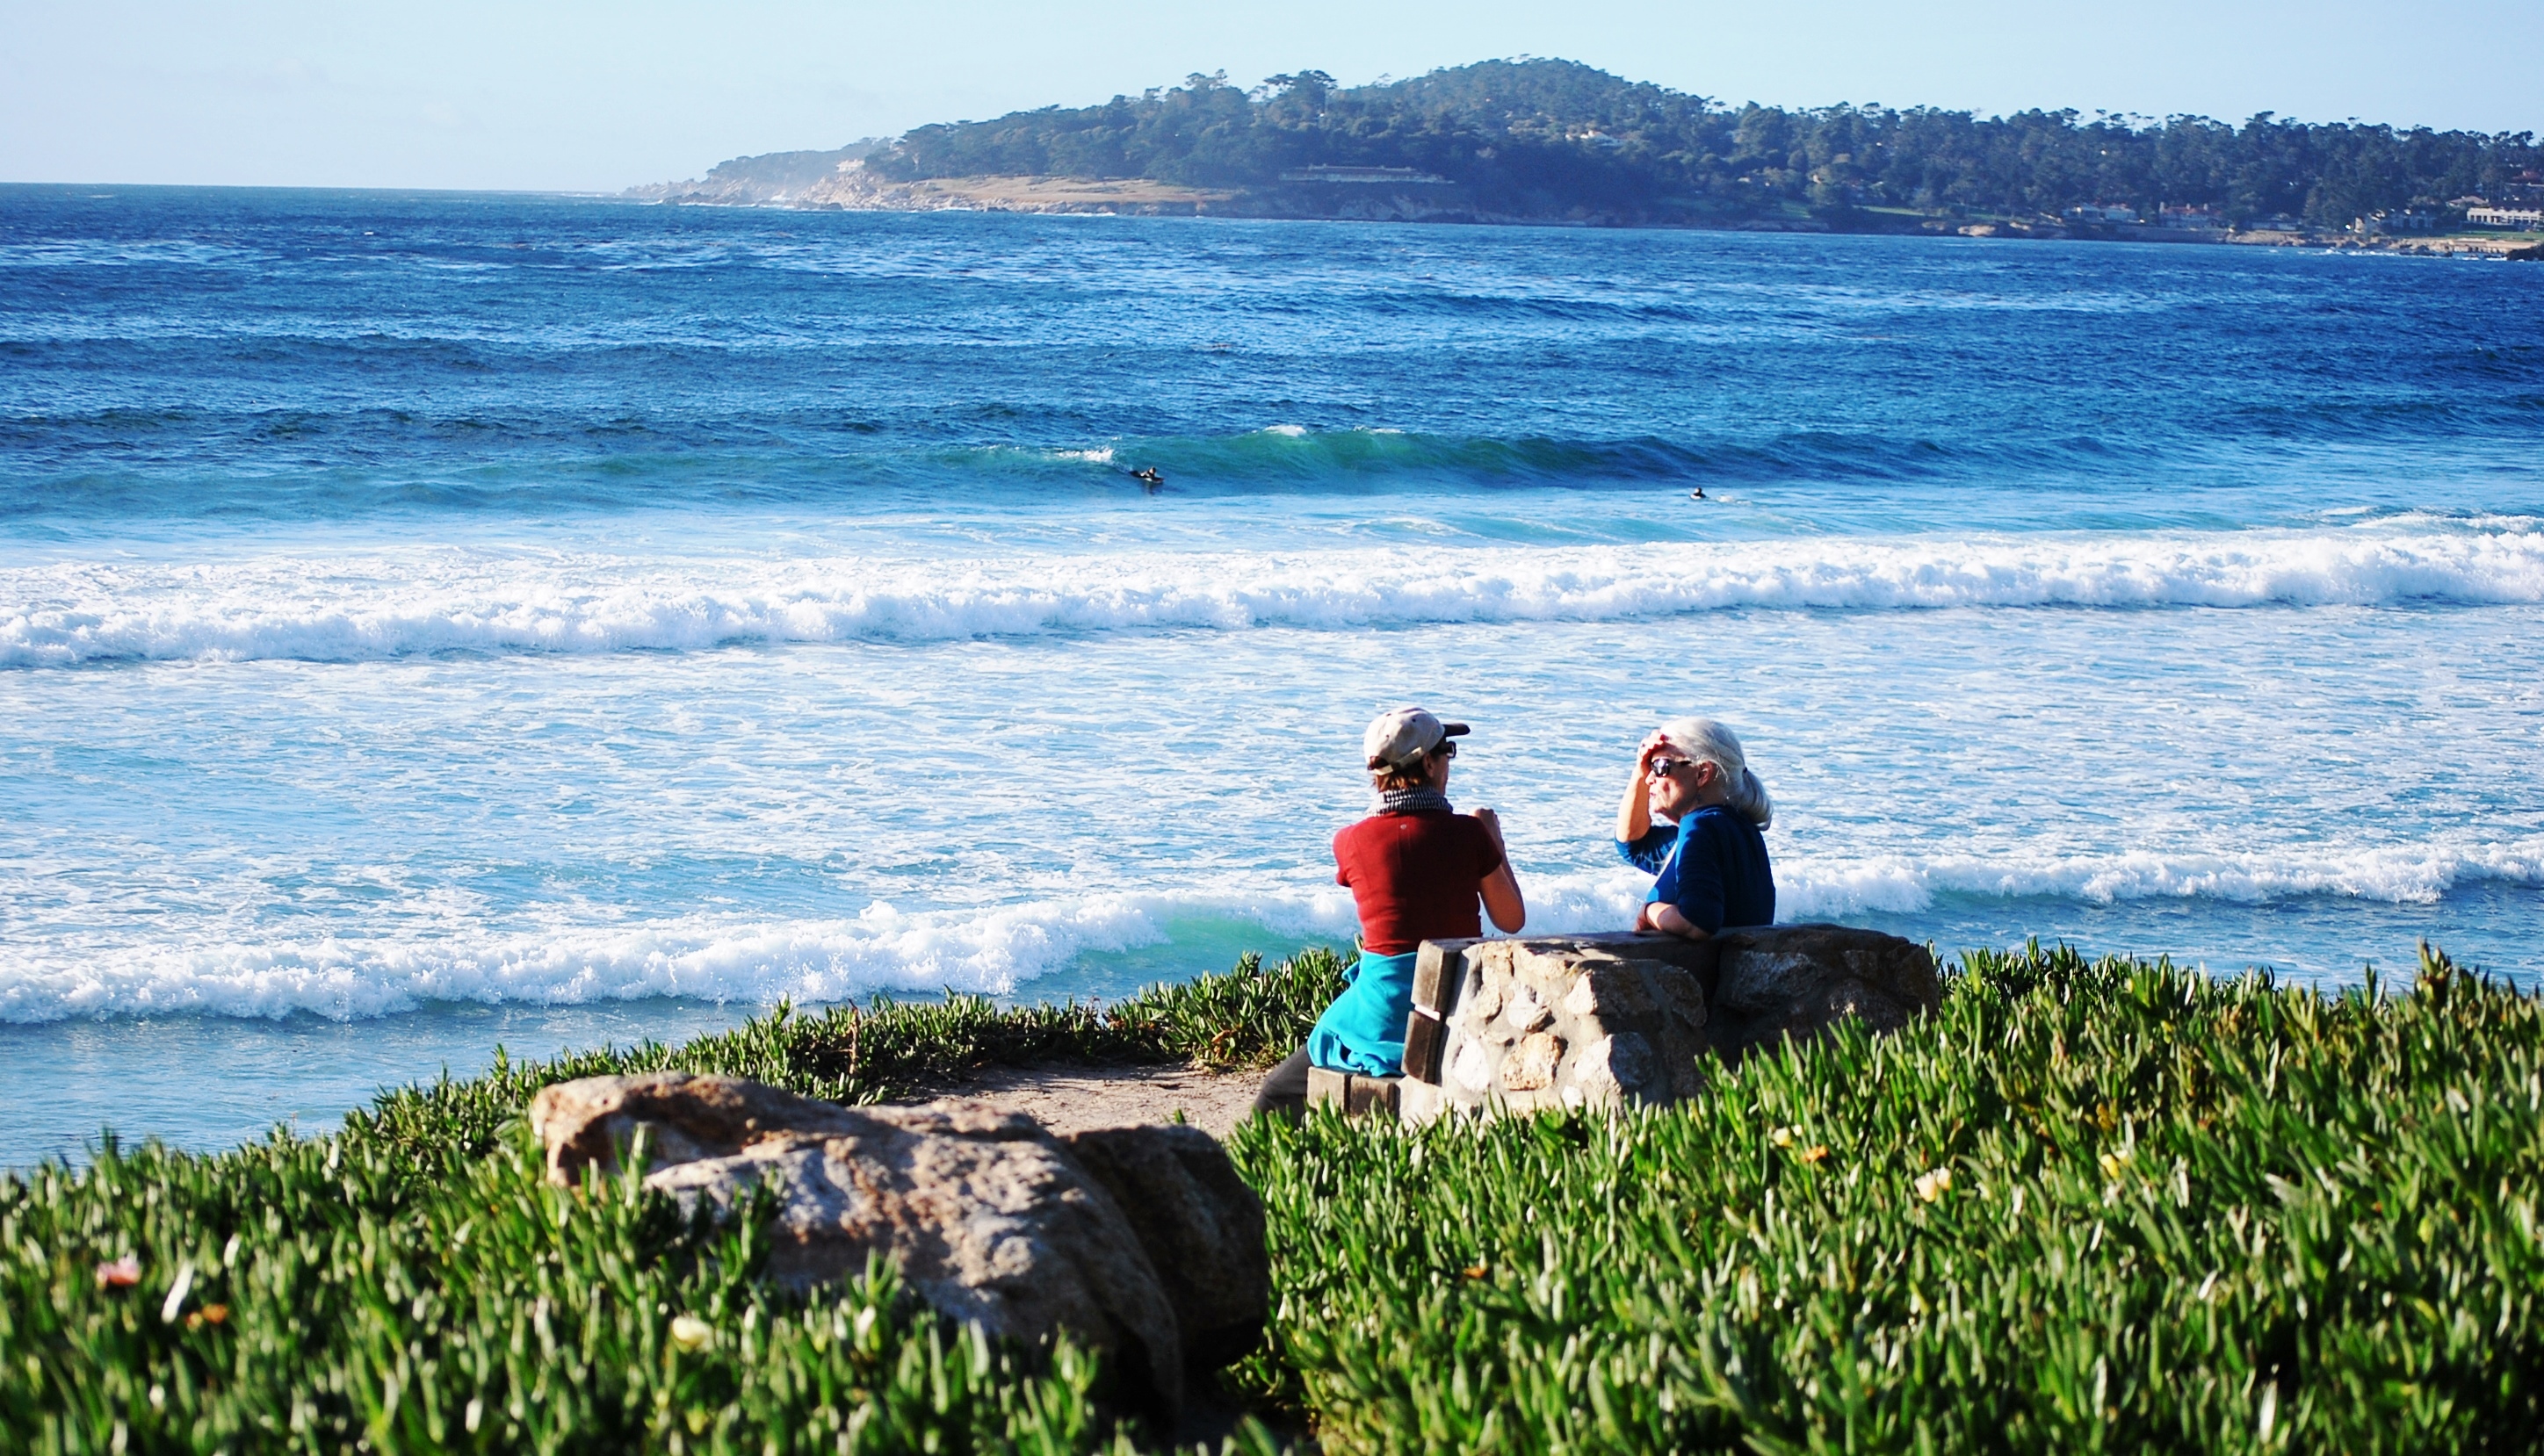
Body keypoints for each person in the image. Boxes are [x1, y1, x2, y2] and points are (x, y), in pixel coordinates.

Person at [1252, 708, 1526, 1117]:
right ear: (1429, 763)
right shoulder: (1469, 835)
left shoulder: (1351, 842)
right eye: (1447, 752)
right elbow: (1511, 919)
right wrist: (1492, 838)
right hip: (1454, 1011)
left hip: (1382, 1020)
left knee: (1275, 1094)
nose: (1449, 763)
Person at [1615, 717, 1774, 939]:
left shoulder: (1699, 827)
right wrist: (1638, 771)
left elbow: (1698, 922)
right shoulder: (1739, 830)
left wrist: (1649, 911)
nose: (1649, 779)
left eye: (1660, 767)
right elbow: (1634, 845)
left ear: (1702, 774)